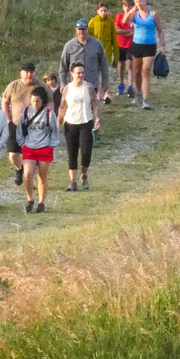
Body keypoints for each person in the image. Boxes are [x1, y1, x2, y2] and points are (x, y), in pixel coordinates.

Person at [19, 86, 58, 213]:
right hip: (29, 147)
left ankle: (41, 202)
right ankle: (30, 199)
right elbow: (20, 129)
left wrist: (51, 145)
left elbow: (54, 131)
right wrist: (22, 143)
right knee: (27, 174)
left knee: (42, 176)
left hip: (44, 147)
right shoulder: (25, 112)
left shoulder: (49, 114)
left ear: (43, 101)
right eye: (33, 101)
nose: (35, 104)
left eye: (38, 101)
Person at [60, 63, 97, 193]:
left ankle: (84, 174)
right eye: (78, 73)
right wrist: (58, 121)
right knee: (72, 153)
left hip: (85, 122)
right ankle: (72, 181)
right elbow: (62, 106)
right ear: (72, 74)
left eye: (82, 73)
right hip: (70, 123)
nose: (80, 75)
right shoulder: (67, 89)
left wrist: (97, 118)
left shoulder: (88, 87)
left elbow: (95, 104)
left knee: (86, 152)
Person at [128, 0, 167, 111]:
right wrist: (131, 10)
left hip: (149, 45)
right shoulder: (135, 14)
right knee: (136, 71)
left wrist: (163, 45)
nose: (139, 3)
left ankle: (145, 99)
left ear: (145, 1)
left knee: (145, 70)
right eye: (136, 1)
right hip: (137, 45)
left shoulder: (153, 14)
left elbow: (160, 30)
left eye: (141, 1)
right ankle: (139, 93)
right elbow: (125, 21)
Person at [1, 63, 39, 186]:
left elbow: (49, 102)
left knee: (33, 155)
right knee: (13, 154)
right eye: (26, 72)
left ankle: (31, 180)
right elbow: (5, 101)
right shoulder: (13, 86)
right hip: (15, 124)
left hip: (34, 126)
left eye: (31, 72)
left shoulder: (40, 86)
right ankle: (19, 169)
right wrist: (8, 119)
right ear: (21, 73)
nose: (29, 75)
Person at [59, 18, 111, 103]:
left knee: (91, 108)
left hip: (92, 84)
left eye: (84, 29)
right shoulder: (69, 46)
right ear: (76, 30)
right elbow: (63, 66)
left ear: (87, 30)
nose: (82, 32)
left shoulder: (97, 44)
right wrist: (63, 83)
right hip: (75, 85)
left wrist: (105, 81)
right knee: (76, 107)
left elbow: (104, 64)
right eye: (79, 29)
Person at [87, 3, 117, 102]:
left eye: (105, 10)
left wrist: (116, 56)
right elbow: (88, 38)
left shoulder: (111, 22)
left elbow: (114, 39)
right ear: (97, 11)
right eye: (101, 10)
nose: (103, 12)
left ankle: (106, 93)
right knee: (95, 74)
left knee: (106, 74)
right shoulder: (92, 22)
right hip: (94, 53)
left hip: (107, 53)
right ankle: (97, 93)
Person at [114, 0, 136, 97]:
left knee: (130, 66)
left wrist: (125, 32)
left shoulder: (134, 18)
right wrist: (129, 32)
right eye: (126, 6)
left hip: (131, 44)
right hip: (120, 44)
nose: (127, 8)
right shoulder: (119, 16)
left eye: (130, 6)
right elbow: (117, 30)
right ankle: (121, 83)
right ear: (123, 7)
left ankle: (130, 86)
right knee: (121, 65)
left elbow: (135, 32)